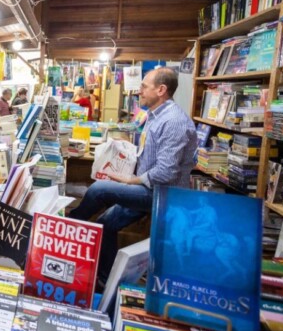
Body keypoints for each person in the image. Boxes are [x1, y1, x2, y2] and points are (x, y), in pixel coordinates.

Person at [66, 68, 197, 288]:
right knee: (105, 223)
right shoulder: (154, 116)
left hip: (162, 195)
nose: (139, 91)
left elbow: (166, 173)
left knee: (100, 189)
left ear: (161, 90)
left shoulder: (173, 121)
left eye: (145, 86)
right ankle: (106, 280)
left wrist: (129, 181)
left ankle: (68, 226)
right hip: (148, 188)